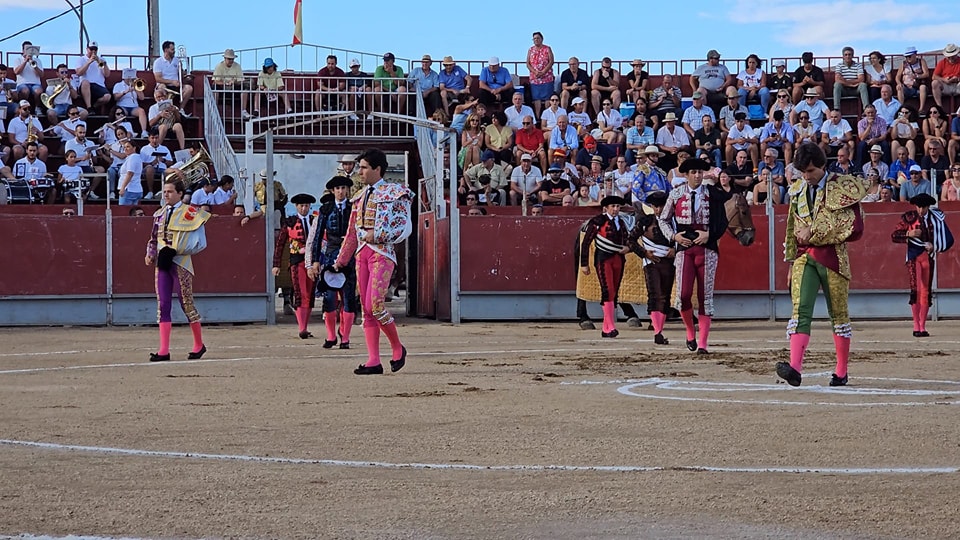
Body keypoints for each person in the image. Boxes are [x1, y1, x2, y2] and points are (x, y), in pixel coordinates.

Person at [778, 142, 866, 388]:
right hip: (805, 257)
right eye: (803, 172)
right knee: (800, 310)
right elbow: (792, 229)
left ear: (822, 166)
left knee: (838, 315)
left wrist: (813, 232)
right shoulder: (797, 189)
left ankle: (841, 371)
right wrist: (791, 262)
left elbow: (853, 227)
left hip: (833, 257)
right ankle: (795, 369)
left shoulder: (842, 186)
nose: (807, 177)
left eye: (811, 171)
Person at [334, 148, 413, 375]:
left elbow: (402, 225)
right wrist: (341, 260)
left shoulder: (395, 192)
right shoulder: (359, 197)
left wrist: (376, 235)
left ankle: (397, 348)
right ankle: (373, 360)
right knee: (366, 308)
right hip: (362, 253)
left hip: (382, 253)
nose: (360, 171)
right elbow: (351, 232)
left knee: (376, 305)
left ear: (377, 169)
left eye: (364, 167)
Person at [659, 158, 732, 354]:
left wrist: (710, 235)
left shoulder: (712, 194)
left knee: (705, 297)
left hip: (707, 249)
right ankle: (690, 332)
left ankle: (703, 343)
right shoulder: (676, 194)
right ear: (686, 174)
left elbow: (723, 222)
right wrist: (674, 236)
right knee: (682, 296)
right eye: (694, 172)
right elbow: (663, 220)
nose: (698, 175)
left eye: (700, 172)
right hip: (684, 248)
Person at [144, 178, 211, 362]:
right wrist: (150, 253)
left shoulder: (191, 213)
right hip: (163, 263)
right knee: (163, 304)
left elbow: (200, 244)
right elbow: (152, 238)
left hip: (181, 263)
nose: (166, 195)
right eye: (164, 192)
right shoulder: (159, 214)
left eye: (170, 191)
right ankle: (163, 350)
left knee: (186, 303)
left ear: (180, 194)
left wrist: (176, 250)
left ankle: (199, 344)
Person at [892, 193, 954, 338]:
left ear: (928, 206)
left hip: (928, 258)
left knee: (925, 291)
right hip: (914, 258)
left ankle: (922, 326)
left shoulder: (936, 219)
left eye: (923, 207)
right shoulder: (909, 217)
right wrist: (909, 233)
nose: (920, 210)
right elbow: (894, 235)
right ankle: (916, 325)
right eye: (919, 207)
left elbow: (946, 239)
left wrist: (935, 246)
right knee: (916, 290)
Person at [306, 177, 358, 349]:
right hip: (330, 255)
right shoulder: (325, 209)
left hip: (350, 255)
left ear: (347, 190)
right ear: (332, 191)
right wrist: (314, 261)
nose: (341, 191)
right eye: (337, 188)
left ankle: (345, 336)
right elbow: (317, 237)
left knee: (348, 297)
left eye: (343, 188)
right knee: (329, 298)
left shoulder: (354, 209)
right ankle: (330, 336)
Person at [580, 195, 631, 338]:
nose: (615, 209)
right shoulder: (598, 221)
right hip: (603, 259)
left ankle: (606, 327)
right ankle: (611, 326)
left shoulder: (621, 222)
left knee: (613, 291)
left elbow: (627, 241)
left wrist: (628, 248)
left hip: (618, 259)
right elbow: (586, 243)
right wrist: (584, 264)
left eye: (618, 207)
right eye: (613, 207)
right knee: (607, 289)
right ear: (606, 208)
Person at [629, 191, 675, 345]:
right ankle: (658, 332)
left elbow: (684, 239)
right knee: (655, 294)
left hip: (669, 262)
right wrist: (644, 253)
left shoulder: (674, 221)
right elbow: (631, 240)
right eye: (655, 207)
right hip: (651, 262)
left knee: (665, 296)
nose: (658, 210)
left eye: (661, 206)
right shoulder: (646, 221)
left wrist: (675, 250)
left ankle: (659, 330)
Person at [272, 193, 317, 339]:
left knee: (309, 295)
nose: (304, 208)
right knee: (300, 293)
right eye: (301, 206)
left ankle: (305, 326)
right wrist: (276, 264)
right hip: (297, 262)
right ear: (296, 207)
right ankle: (302, 328)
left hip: (313, 263)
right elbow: (280, 244)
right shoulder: (290, 222)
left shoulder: (314, 220)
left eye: (306, 206)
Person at [526, 32, 555, 119]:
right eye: (534, 38)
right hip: (535, 78)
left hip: (546, 77)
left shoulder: (547, 49)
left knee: (547, 98)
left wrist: (543, 71)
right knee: (536, 98)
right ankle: (538, 117)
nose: (536, 40)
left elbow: (551, 61)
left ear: (542, 39)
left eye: (538, 38)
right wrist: (535, 72)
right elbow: (528, 63)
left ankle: (547, 117)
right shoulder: (530, 50)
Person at [896, 46, 930, 112]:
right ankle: (901, 108)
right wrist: (899, 83)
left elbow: (926, 74)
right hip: (907, 88)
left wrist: (917, 76)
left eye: (909, 56)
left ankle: (921, 109)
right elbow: (897, 76)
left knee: (923, 87)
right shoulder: (903, 64)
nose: (908, 58)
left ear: (915, 55)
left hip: (918, 87)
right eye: (906, 57)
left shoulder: (921, 61)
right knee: (899, 87)